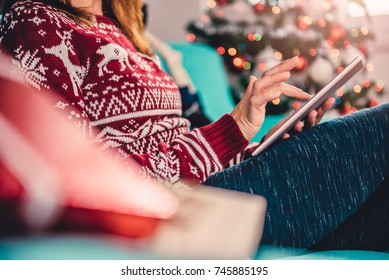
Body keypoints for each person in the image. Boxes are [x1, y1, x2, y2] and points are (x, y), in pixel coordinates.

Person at [0, 0, 388, 252]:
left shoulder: (123, 31)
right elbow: (91, 177)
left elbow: (181, 139)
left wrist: (257, 144)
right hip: (180, 205)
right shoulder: (36, 20)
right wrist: (232, 129)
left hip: (213, 183)